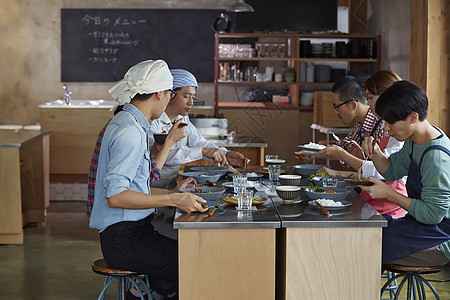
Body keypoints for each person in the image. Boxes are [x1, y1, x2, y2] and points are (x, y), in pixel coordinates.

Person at [89, 60, 207, 299]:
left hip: (134, 233)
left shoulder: (131, 124)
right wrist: (174, 200)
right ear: (159, 94)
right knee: (196, 265)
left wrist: (174, 194)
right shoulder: (129, 131)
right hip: (124, 240)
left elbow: (137, 188)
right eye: (170, 94)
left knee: (190, 256)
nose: (168, 101)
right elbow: (117, 196)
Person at [360, 80, 449, 266]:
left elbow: (433, 215)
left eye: (390, 122)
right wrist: (374, 151)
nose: (385, 128)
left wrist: (389, 194)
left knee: (366, 242)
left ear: (412, 117)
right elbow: (393, 171)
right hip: (421, 226)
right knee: (368, 229)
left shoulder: (436, 157)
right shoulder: (416, 139)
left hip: (440, 239)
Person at [148, 69, 245, 239]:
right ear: (170, 95)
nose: (192, 102)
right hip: (152, 191)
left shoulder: (182, 119)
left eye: (193, 96)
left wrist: (225, 153)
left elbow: (199, 142)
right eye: (186, 96)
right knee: (158, 231)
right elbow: (167, 155)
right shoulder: (154, 122)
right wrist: (202, 152)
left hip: (172, 188)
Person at [315, 71, 407, 218]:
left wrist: (342, 155)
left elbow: (384, 171)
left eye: (370, 98)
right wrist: (361, 158)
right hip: (372, 203)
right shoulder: (386, 125)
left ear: (387, 97)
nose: (368, 103)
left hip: (389, 212)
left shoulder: (398, 130)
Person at [295, 76, 385, 167]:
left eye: (337, 106)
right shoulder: (360, 124)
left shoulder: (382, 125)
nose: (335, 111)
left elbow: (377, 171)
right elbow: (343, 148)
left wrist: (339, 166)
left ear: (353, 105)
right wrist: (313, 154)